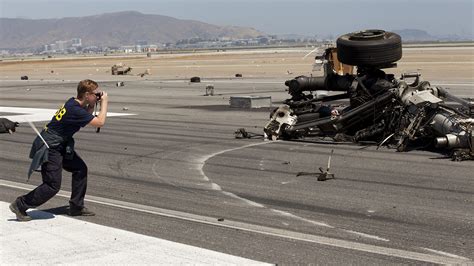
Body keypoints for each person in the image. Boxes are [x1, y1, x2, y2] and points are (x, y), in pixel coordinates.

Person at [9, 79, 108, 221]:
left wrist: (92, 104)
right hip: (50, 147)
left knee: (80, 169)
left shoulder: (73, 102)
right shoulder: (75, 110)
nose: (98, 95)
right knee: (52, 185)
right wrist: (104, 102)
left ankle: (76, 207)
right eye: (95, 93)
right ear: (87, 94)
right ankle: (20, 204)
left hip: (60, 144)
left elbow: (85, 115)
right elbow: (100, 122)